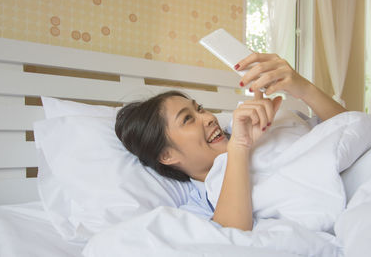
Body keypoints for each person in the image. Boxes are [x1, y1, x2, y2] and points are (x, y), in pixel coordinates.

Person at [115, 53, 347, 231]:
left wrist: (303, 88)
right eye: (188, 119)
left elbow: (346, 128)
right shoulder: (196, 209)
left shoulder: (258, 120)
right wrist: (239, 146)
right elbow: (232, 233)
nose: (208, 118)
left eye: (200, 109)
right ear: (166, 156)